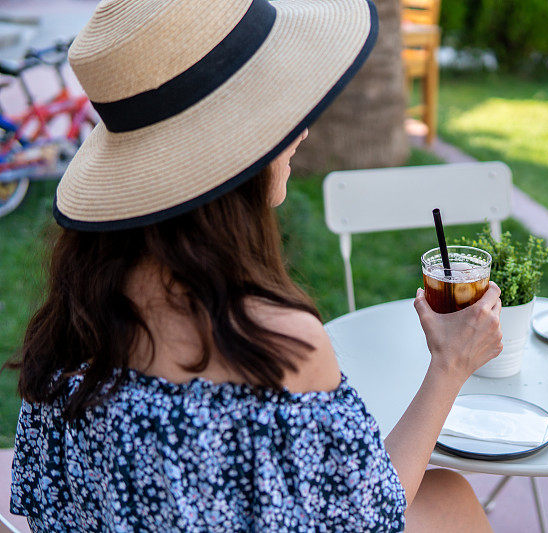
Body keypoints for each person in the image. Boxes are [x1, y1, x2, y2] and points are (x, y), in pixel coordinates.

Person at [8, 0, 503, 531]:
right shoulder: (270, 344)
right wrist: (451, 363)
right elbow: (368, 516)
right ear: (238, 154)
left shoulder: (77, 311)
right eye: (279, 112)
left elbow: (48, 502)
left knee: (446, 490)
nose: (303, 132)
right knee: (454, 499)